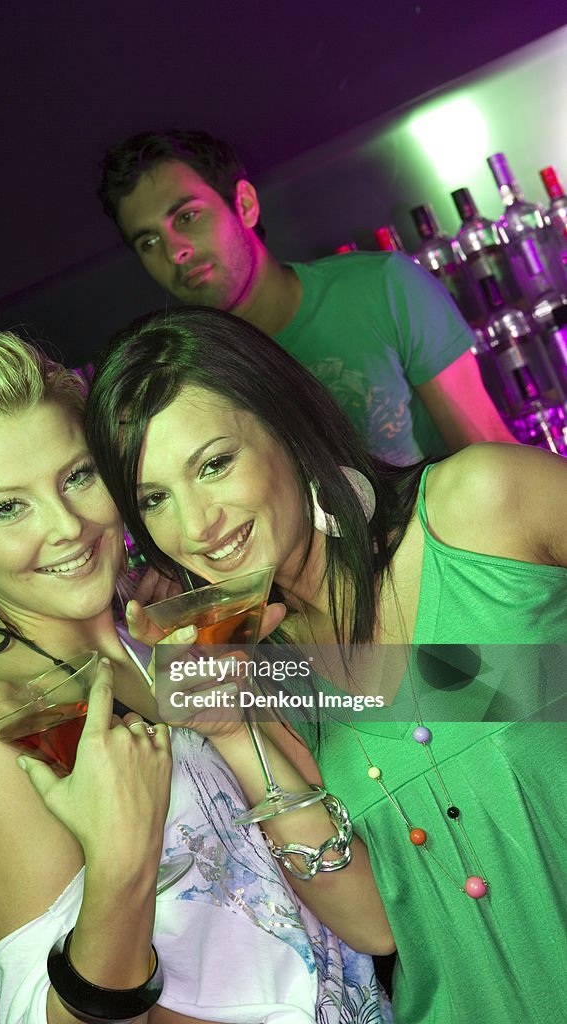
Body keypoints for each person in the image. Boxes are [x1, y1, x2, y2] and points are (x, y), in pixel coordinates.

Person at [0, 331, 393, 1024]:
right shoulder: (0, 727)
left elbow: (369, 916)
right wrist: (120, 866)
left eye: (77, 477)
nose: (65, 526)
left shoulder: (176, 630)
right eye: (8, 507)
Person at [85, 306, 567, 1024]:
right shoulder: (267, 676)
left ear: (285, 426)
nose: (195, 527)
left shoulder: (485, 505)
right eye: (154, 499)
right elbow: (376, 923)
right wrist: (229, 729)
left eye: (214, 464)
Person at [96, 129, 516, 466]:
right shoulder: (186, 378)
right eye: (148, 242)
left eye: (187, 217)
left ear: (244, 205)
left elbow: (490, 456)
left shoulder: (384, 288)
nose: (174, 251)